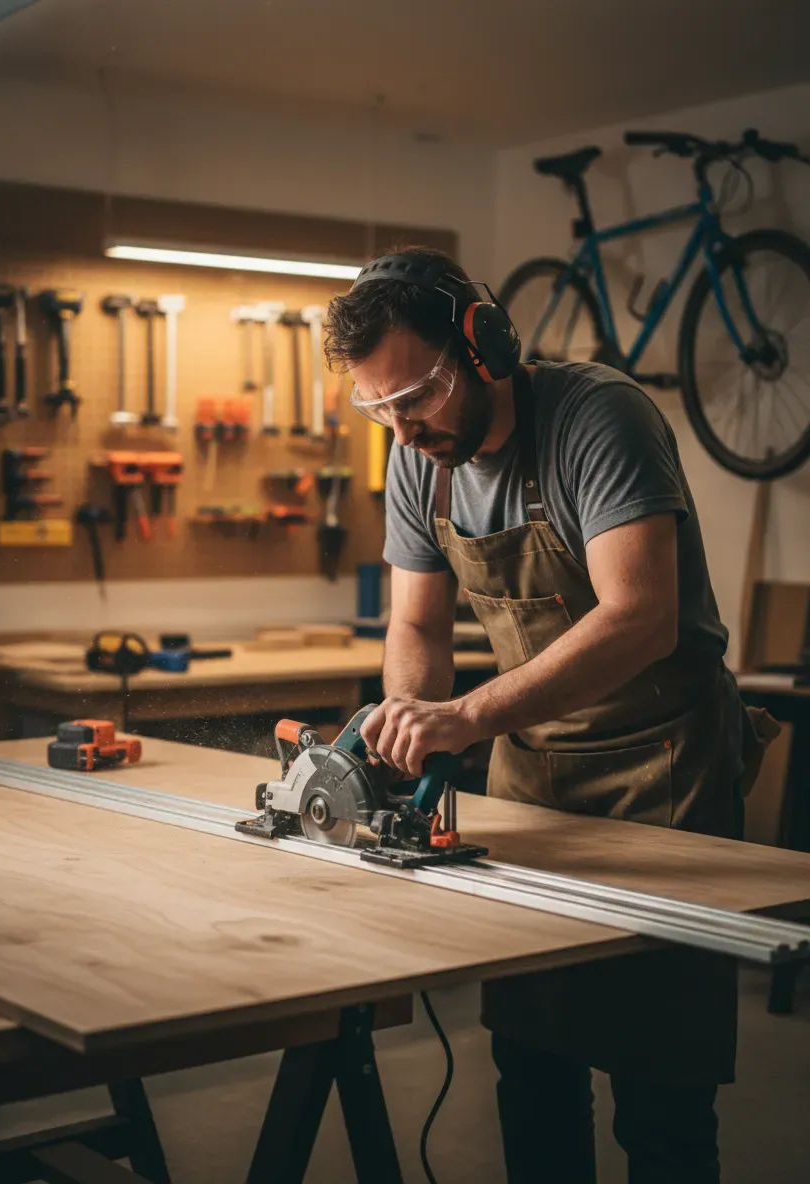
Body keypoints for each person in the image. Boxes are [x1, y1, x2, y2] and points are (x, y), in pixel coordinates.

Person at [324, 246, 771, 1184]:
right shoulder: (421, 459)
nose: (403, 430)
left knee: (661, 1095)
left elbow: (640, 617)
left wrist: (467, 715)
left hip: (666, 774)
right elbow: (415, 619)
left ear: (485, 344)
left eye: (420, 396)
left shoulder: (596, 418)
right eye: (381, 408)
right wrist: (408, 717)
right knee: (532, 1068)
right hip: (534, 774)